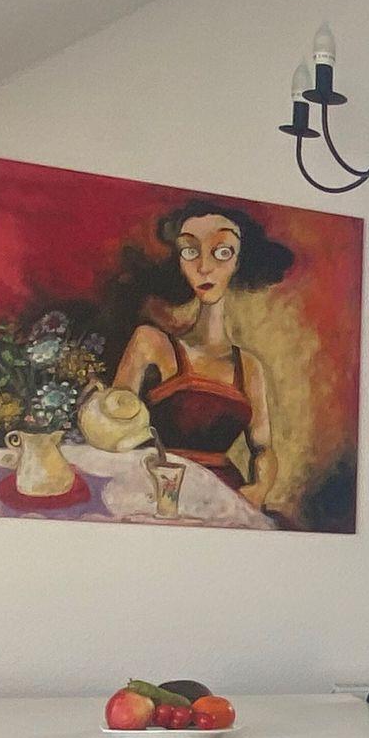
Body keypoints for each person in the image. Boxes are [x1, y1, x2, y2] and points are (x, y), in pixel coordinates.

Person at [111, 201, 294, 511]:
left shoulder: (249, 367)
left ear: (239, 263)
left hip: (224, 497)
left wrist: (259, 489)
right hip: (159, 491)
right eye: (190, 251)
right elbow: (113, 427)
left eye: (222, 252)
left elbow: (263, 448)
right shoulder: (150, 343)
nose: (204, 267)